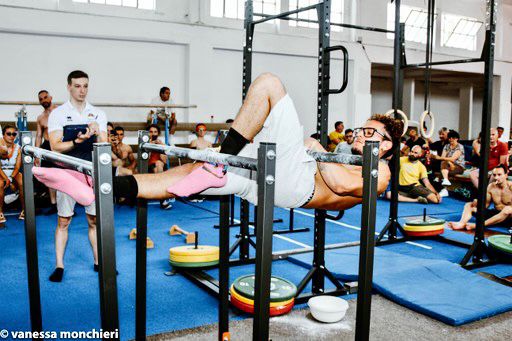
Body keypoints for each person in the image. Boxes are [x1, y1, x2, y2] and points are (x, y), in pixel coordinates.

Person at [35, 73, 403, 212]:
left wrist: (318, 149)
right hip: (273, 182)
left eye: (372, 134)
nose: (362, 134)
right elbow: (321, 158)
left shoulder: (381, 169)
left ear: (386, 145)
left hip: (298, 185)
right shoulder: (344, 154)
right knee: (189, 171)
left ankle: (221, 159)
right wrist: (315, 147)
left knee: (270, 85)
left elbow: (339, 184)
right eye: (363, 128)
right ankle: (102, 188)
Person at [35, 70, 108, 283]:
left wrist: (96, 132)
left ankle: (98, 262)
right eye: (77, 86)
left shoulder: (98, 114)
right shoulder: (58, 114)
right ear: (69, 87)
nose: (82, 90)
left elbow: (105, 145)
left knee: (93, 221)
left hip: (91, 171)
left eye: (85, 86)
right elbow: (55, 146)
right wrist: (77, 141)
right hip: (67, 172)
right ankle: (59, 265)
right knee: (64, 221)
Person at [448, 164, 512, 230]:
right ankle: (461, 223)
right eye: (494, 175)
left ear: (506, 175)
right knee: (469, 205)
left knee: (508, 209)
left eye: (499, 175)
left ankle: (479, 225)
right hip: (495, 216)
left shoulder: (511, 187)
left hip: (509, 219)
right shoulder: (491, 187)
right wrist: (478, 203)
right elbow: (485, 206)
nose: (496, 178)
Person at [36, 90, 58, 214]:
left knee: (64, 175)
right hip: (47, 146)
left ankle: (66, 205)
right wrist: (36, 153)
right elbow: (39, 136)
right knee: (50, 177)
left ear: (51, 97)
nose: (44, 100)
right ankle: (53, 204)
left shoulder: (60, 112)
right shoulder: (40, 118)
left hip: (60, 146)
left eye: (45, 97)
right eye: (41, 99)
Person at [0, 125, 24, 223]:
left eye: (14, 134)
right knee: (0, 184)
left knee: (22, 181)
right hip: (1, 172)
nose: (11, 136)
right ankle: (0, 212)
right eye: (8, 134)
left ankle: (24, 210)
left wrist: (10, 178)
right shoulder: (0, 148)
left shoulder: (18, 148)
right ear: (3, 135)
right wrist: (6, 179)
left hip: (13, 172)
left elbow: (17, 167)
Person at [430, 130, 465, 196]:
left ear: (457, 138)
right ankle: (445, 181)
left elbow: (453, 158)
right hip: (448, 165)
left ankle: (442, 185)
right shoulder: (446, 146)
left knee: (441, 171)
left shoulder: (460, 146)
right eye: (449, 138)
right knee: (443, 162)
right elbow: (443, 157)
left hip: (458, 166)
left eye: (453, 138)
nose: (451, 139)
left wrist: (438, 157)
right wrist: (449, 162)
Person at [147, 124, 172, 209]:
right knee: (158, 165)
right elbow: (145, 160)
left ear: (158, 133)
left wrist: (161, 147)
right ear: (148, 133)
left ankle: (162, 198)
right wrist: (149, 146)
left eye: (155, 132)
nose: (153, 134)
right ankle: (163, 199)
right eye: (151, 132)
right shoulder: (144, 143)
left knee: (159, 164)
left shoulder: (161, 144)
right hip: (148, 168)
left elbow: (165, 161)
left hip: (159, 167)